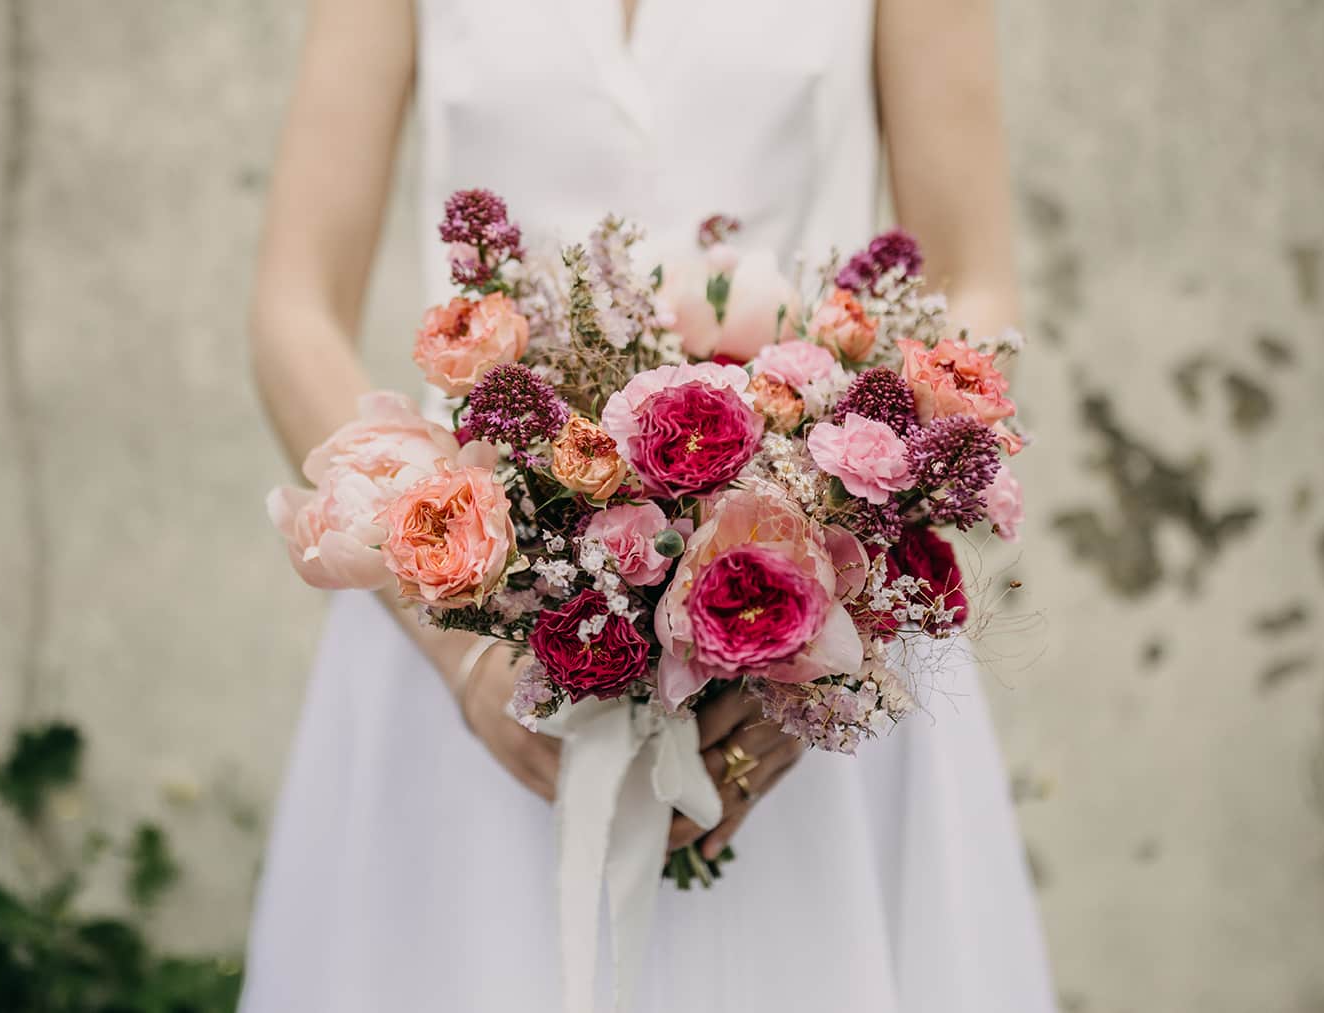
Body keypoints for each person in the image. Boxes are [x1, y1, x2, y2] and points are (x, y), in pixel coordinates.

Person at [242, 0, 1057, 1008]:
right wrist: (467, 656)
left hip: (821, 627)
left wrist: (826, 602)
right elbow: (293, 306)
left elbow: (975, 282)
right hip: (471, 613)